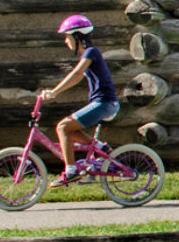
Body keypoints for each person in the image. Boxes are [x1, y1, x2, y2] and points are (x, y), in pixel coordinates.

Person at [39, 14, 119, 186]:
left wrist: (54, 92)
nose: (65, 42)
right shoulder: (89, 54)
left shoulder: (92, 52)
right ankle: (99, 146)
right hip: (103, 103)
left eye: (67, 37)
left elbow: (75, 75)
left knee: (63, 127)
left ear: (77, 36)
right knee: (70, 131)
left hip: (104, 103)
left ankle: (71, 171)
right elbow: (76, 76)